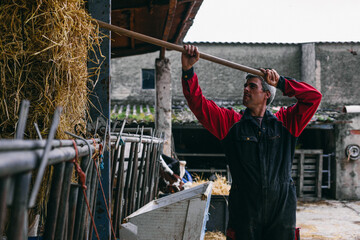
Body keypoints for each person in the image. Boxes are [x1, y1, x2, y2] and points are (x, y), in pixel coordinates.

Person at [181, 45, 322, 240]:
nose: (245, 89)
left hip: (281, 211)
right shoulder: (231, 123)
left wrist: (281, 82)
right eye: (245, 86)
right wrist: (188, 72)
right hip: (245, 211)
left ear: (267, 94)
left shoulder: (286, 122)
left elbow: (314, 97)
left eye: (252, 86)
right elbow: (198, 104)